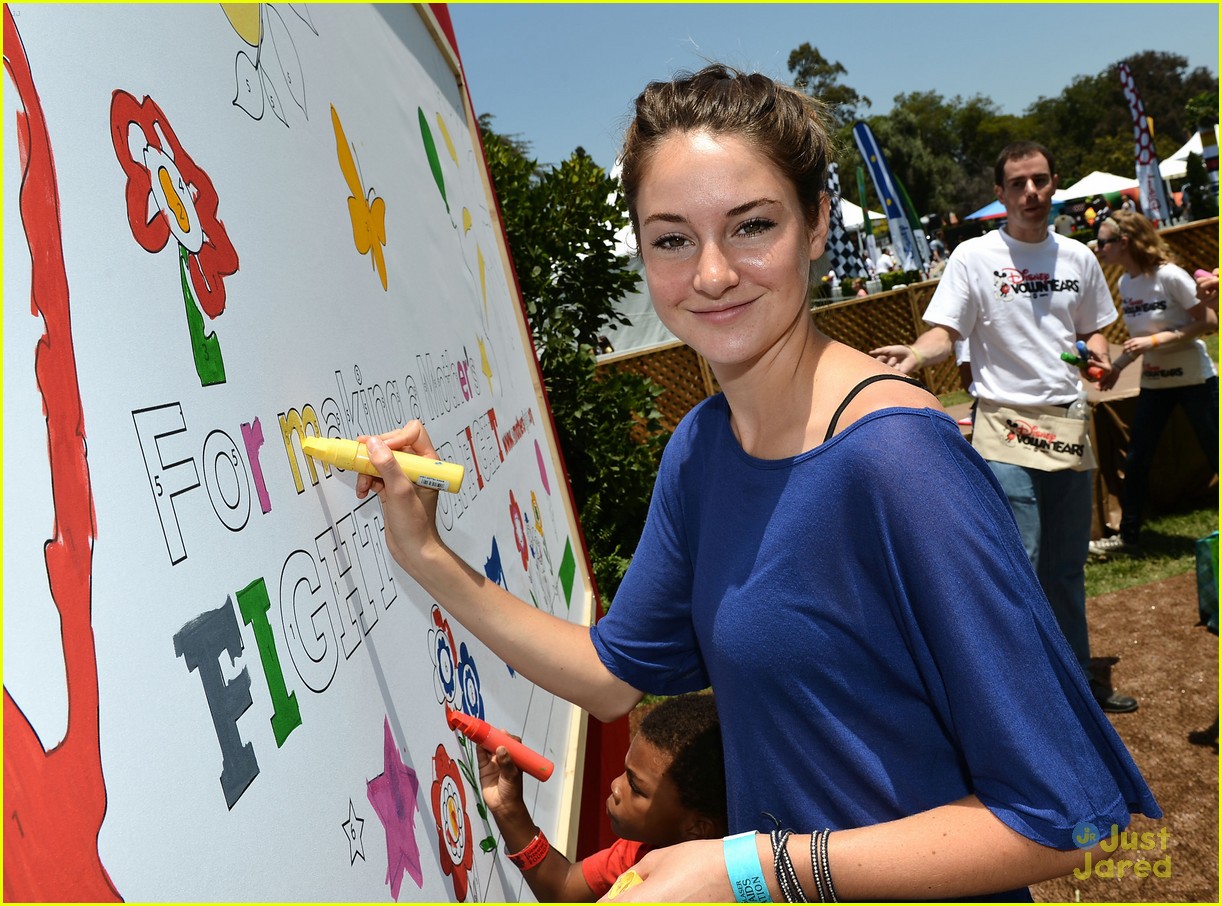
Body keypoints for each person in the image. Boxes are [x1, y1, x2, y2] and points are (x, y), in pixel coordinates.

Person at [357, 70, 1158, 902]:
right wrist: (425, 554)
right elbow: (607, 676)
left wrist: (752, 868)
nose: (711, 274)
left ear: (815, 223)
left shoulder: (897, 459)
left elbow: (1058, 815)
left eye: (751, 226)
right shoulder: (703, 448)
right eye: (671, 238)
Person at [870, 141, 1140, 715]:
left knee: (1066, 565)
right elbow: (945, 331)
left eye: (1040, 181)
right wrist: (917, 357)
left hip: (1067, 421)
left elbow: (1093, 330)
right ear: (1000, 193)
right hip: (1005, 428)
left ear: (1054, 184)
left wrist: (1094, 356)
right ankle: (1025, 692)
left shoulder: (1078, 258)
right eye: (1018, 183)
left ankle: (1079, 681)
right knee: (1020, 559)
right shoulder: (974, 257)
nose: (1031, 193)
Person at [478, 692, 726, 901]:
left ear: (697, 829)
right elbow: (563, 887)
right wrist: (508, 808)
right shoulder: (643, 850)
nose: (616, 786)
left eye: (636, 788)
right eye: (624, 772)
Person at [1088, 212, 1218, 556]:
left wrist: (1157, 342)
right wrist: (1115, 368)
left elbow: (1210, 321)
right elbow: (1139, 341)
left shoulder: (1170, 276)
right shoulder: (1126, 284)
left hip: (1195, 379)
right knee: (1137, 459)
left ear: (1125, 242)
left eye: (1103, 242)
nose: (1098, 248)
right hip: (1155, 382)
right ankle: (1128, 536)